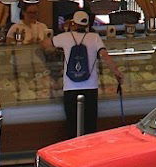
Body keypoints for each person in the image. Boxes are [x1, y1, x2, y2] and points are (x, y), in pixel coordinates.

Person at [46, 9, 123, 139]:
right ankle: (89, 151)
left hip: (70, 87)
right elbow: (104, 55)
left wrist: (52, 50)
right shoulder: (95, 37)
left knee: (72, 124)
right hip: (90, 87)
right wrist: (117, 72)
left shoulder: (64, 37)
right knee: (90, 124)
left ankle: (74, 152)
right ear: (87, 25)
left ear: (73, 23)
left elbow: (45, 44)